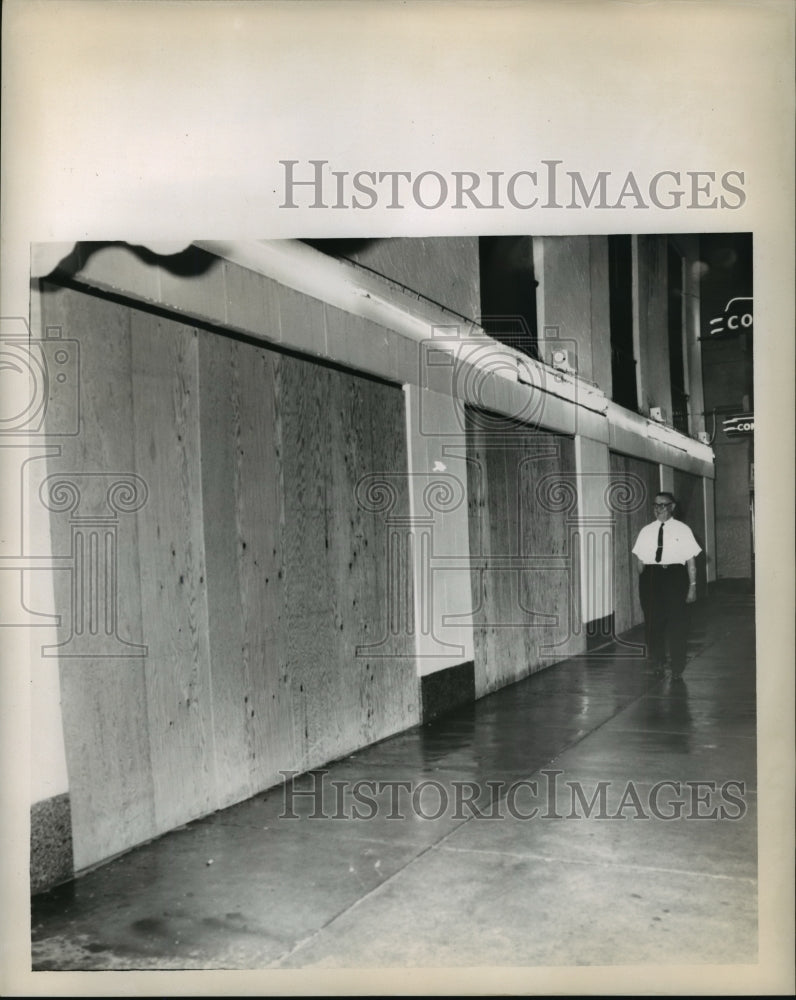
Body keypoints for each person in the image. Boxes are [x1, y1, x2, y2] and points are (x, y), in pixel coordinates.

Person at [632, 491, 701, 676]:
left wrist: (692, 587)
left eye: (663, 505)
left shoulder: (683, 530)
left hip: (675, 577)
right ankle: (658, 661)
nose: (659, 509)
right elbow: (639, 563)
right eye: (656, 505)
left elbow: (691, 562)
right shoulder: (646, 531)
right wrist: (646, 578)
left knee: (678, 622)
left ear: (672, 507)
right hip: (651, 578)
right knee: (653, 621)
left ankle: (677, 665)